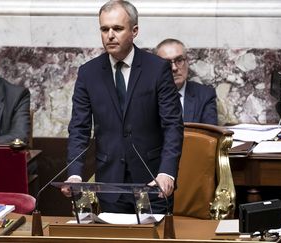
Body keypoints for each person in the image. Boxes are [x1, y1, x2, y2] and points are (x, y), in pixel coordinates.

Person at [61, 0, 183, 214]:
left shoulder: (157, 69)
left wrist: (167, 172)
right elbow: (79, 128)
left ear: (134, 31)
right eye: (104, 29)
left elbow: (172, 124)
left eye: (117, 28)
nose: (110, 35)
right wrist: (75, 173)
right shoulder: (88, 73)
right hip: (110, 184)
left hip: (153, 182)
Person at [155, 39, 218, 125]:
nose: (174, 68)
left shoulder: (205, 95)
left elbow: (210, 135)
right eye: (166, 63)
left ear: (187, 62)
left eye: (179, 60)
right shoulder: (145, 96)